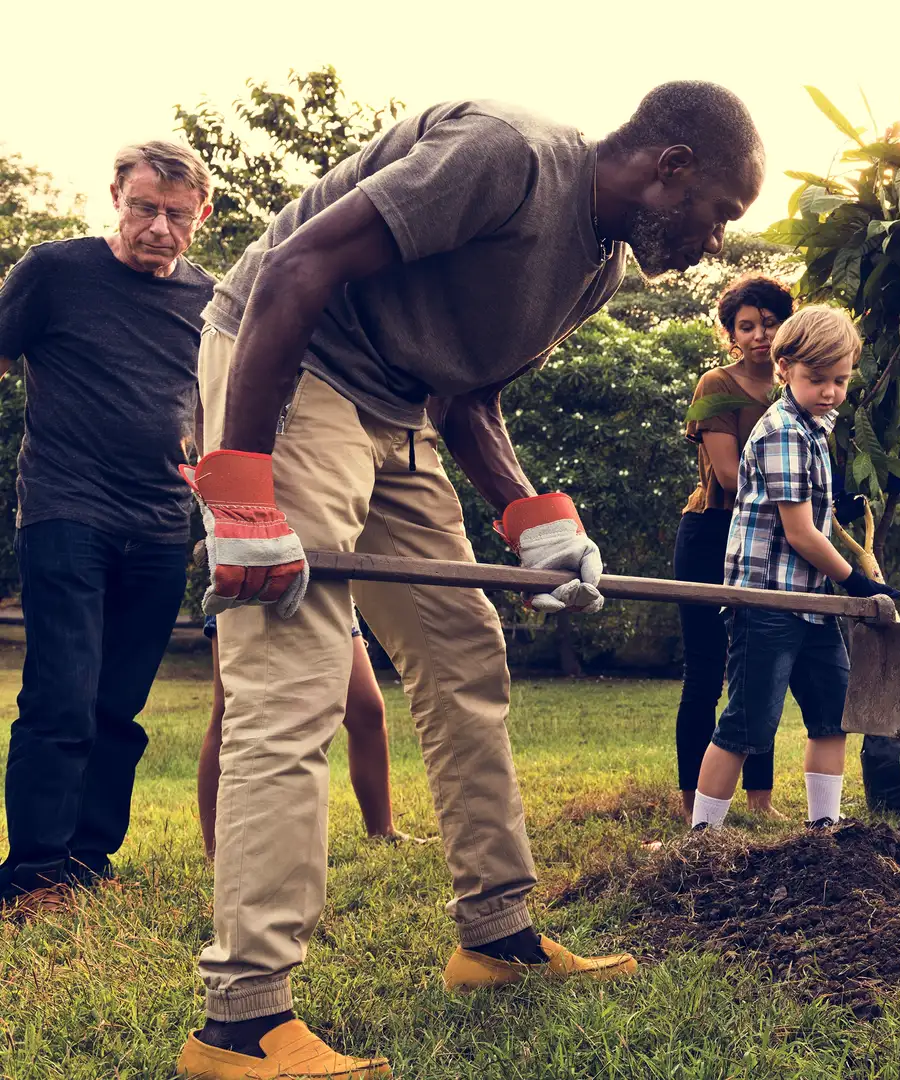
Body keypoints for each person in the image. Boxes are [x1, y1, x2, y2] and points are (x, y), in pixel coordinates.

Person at [172, 83, 764, 1080]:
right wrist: (241, 488)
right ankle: (240, 1023)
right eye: (720, 212)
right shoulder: (509, 157)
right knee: (296, 668)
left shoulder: (596, 269)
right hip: (291, 365)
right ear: (671, 167)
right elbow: (294, 265)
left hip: (398, 407)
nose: (716, 243)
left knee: (463, 651)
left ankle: (495, 936)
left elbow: (466, 391)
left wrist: (535, 521)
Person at [0, 142, 214, 912]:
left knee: (116, 705)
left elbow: (219, 409)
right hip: (65, 510)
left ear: (202, 216)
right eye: (145, 208)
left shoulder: (210, 301)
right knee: (61, 694)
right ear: (116, 198)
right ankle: (34, 873)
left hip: (160, 522)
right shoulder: (55, 271)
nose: (159, 227)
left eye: (177, 214)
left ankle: (88, 860)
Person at [687, 307, 900, 832]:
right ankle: (702, 836)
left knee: (832, 715)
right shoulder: (784, 430)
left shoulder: (815, 426)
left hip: (811, 602)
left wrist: (839, 510)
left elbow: (810, 513)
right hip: (769, 601)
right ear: (784, 368)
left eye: (841, 380)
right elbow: (800, 533)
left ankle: (823, 828)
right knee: (746, 723)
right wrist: (855, 582)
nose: (830, 392)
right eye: (816, 379)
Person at [673, 273, 791, 819]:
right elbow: (726, 473)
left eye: (769, 323)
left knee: (761, 666)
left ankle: (760, 801)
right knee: (705, 670)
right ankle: (690, 799)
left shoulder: (801, 389)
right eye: (747, 326)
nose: (760, 335)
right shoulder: (715, 385)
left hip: (774, 536)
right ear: (730, 335)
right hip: (712, 532)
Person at [197, 607, 431, 856]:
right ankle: (215, 850)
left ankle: (382, 831)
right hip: (253, 586)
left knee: (368, 710)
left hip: (328, 592)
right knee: (228, 711)